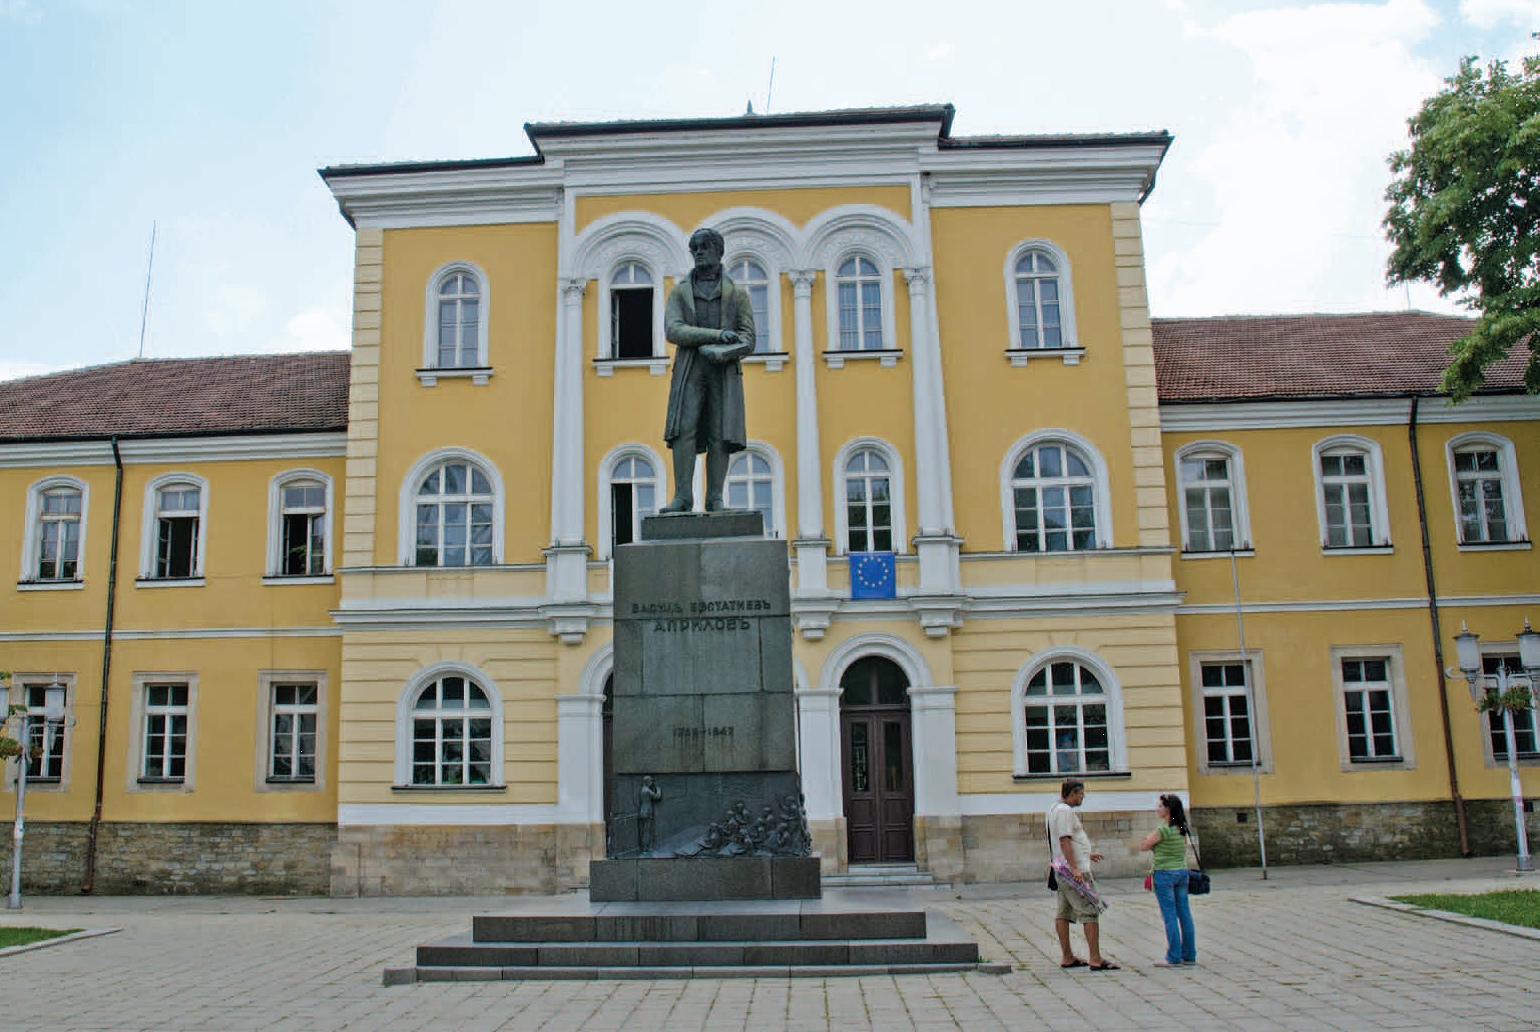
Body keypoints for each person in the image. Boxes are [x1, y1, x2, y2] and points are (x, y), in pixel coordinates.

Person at [659, 226, 756, 513]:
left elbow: (748, 339)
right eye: (694, 248)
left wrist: (724, 351)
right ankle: (682, 497)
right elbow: (674, 331)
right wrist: (716, 336)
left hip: (723, 372)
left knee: (720, 433)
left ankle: (715, 498)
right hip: (689, 370)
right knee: (683, 430)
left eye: (704, 247)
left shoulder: (737, 294)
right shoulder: (680, 292)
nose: (698, 253)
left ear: (719, 251)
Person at [1048, 778, 1118, 970]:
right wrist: (1075, 867)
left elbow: (1066, 841)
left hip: (1061, 868)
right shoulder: (1064, 811)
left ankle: (1068, 957)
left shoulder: (1054, 809)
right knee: (1090, 910)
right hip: (1072, 871)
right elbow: (1064, 840)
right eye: (1081, 794)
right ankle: (1095, 959)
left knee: (1063, 912)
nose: (1083, 797)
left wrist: (1086, 854)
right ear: (1072, 793)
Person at [1139, 792, 1197, 966]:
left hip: (1164, 874)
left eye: (1160, 806)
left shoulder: (1162, 830)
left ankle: (1173, 956)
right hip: (1182, 872)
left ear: (1168, 809)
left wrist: (1150, 842)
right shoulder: (1181, 829)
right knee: (1184, 914)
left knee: (1169, 916)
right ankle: (1189, 955)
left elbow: (1143, 846)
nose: (1157, 809)